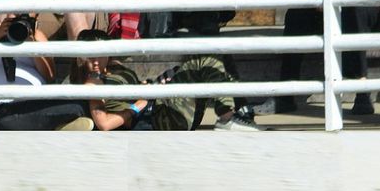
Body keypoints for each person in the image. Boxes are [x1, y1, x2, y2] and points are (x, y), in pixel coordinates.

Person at [75, 29, 255, 129]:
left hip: (165, 107)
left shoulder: (112, 68)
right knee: (206, 57)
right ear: (81, 58)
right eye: (90, 56)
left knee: (218, 54)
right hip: (162, 119)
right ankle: (227, 118)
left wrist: (155, 83)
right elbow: (104, 124)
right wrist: (136, 106)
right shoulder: (93, 83)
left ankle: (239, 112)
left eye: (100, 55)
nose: (96, 61)